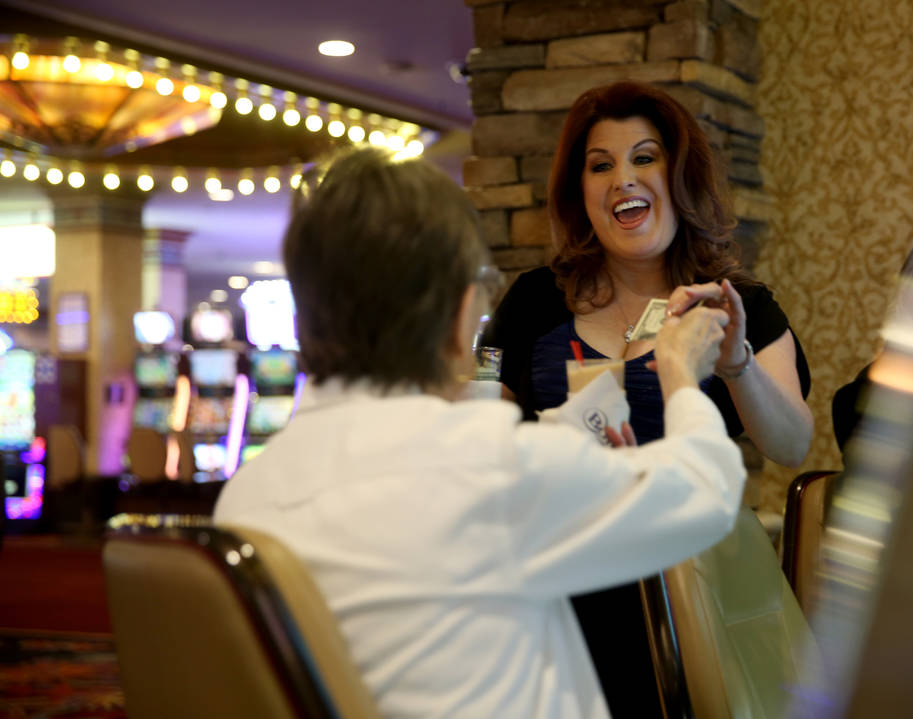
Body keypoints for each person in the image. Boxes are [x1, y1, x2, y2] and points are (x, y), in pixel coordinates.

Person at [214, 146, 748, 718]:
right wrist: (681, 375)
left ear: (302, 317)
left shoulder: (242, 500)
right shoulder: (490, 465)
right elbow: (706, 493)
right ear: (462, 313)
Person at [481, 81, 813, 716]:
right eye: (599, 165)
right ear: (580, 192)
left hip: (703, 583)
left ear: (678, 173)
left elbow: (793, 445)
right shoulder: (528, 302)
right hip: (562, 584)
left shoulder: (741, 303)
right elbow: (472, 404)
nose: (621, 179)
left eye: (644, 157)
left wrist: (735, 361)